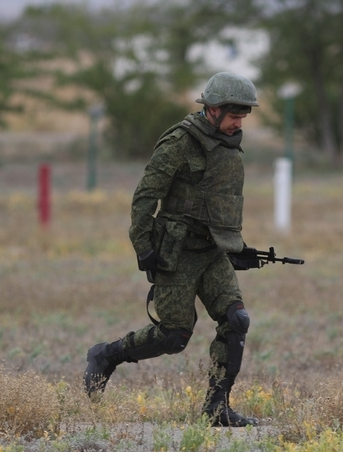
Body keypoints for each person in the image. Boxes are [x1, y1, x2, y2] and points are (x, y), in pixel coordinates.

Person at [83, 72, 260, 427]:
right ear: (212, 109)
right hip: (177, 253)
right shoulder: (179, 142)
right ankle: (106, 355)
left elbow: (221, 204)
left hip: (212, 252)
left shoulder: (229, 146)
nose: (239, 123)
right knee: (174, 336)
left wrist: (235, 247)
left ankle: (217, 409)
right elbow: (145, 196)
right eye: (234, 116)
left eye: (243, 116)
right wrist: (143, 246)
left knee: (236, 320)